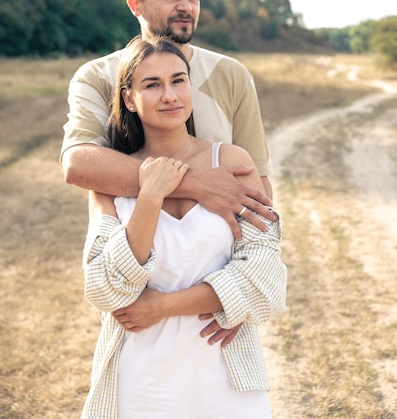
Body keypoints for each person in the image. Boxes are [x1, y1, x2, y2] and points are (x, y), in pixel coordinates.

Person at [81, 36, 287, 419]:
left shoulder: (231, 161)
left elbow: (267, 275)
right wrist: (150, 196)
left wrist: (163, 306)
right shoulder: (109, 180)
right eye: (152, 85)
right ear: (129, 99)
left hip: (225, 377)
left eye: (178, 81)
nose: (170, 95)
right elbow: (105, 288)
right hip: (139, 381)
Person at [61, 0, 276, 239]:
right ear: (136, 4)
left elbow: (257, 181)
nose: (186, 6)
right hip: (133, 251)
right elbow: (77, 164)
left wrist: (255, 256)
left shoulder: (231, 74)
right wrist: (197, 184)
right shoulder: (98, 76)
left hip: (218, 252)